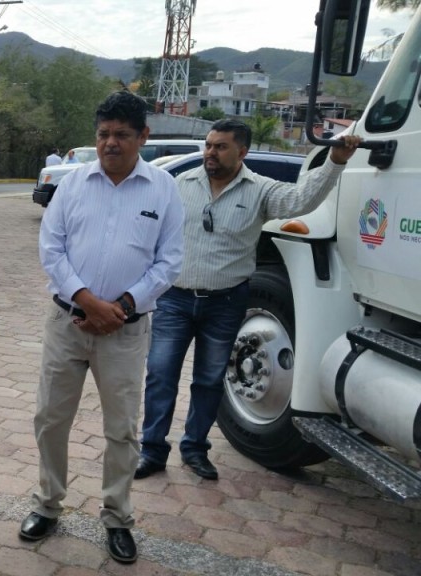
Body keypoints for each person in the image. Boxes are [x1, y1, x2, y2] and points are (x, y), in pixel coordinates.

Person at [136, 119, 362, 482]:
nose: (210, 152)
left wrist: (335, 160)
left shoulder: (260, 190)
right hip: (175, 300)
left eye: (220, 146)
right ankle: (151, 450)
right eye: (208, 145)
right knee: (161, 375)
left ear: (242, 152)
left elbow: (301, 199)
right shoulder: (181, 184)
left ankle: (194, 448)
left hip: (225, 304)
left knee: (209, 380)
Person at [18, 91, 184, 565]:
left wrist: (124, 306)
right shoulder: (73, 184)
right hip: (68, 321)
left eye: (122, 135)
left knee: (121, 430)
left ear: (143, 138)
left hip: (126, 330)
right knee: (50, 417)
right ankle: (48, 505)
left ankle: (117, 516)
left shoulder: (163, 189)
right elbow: (51, 247)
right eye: (104, 134)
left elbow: (170, 262)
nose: (111, 143)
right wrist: (88, 300)